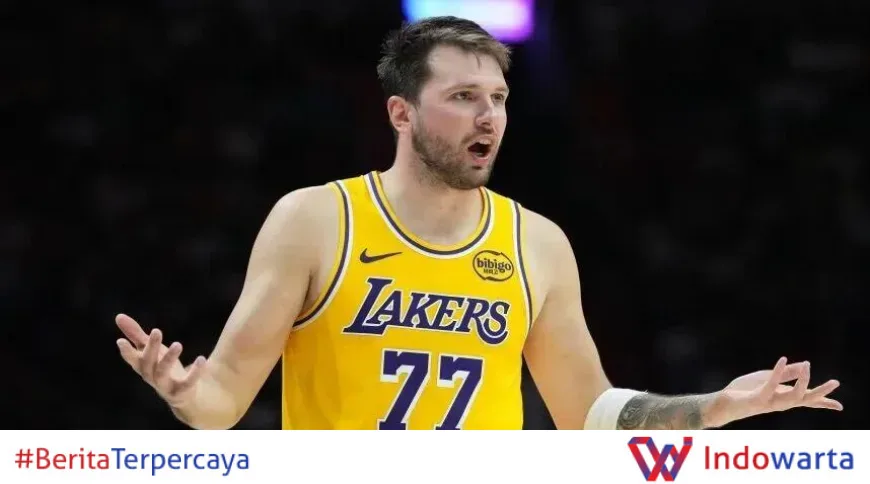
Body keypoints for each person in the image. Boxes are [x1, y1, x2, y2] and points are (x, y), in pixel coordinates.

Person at [115, 16, 843, 430]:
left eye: (497, 97)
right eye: (463, 96)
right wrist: (181, 389)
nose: (489, 116)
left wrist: (715, 406)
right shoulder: (316, 220)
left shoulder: (537, 243)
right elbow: (221, 402)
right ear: (401, 113)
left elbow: (589, 414)